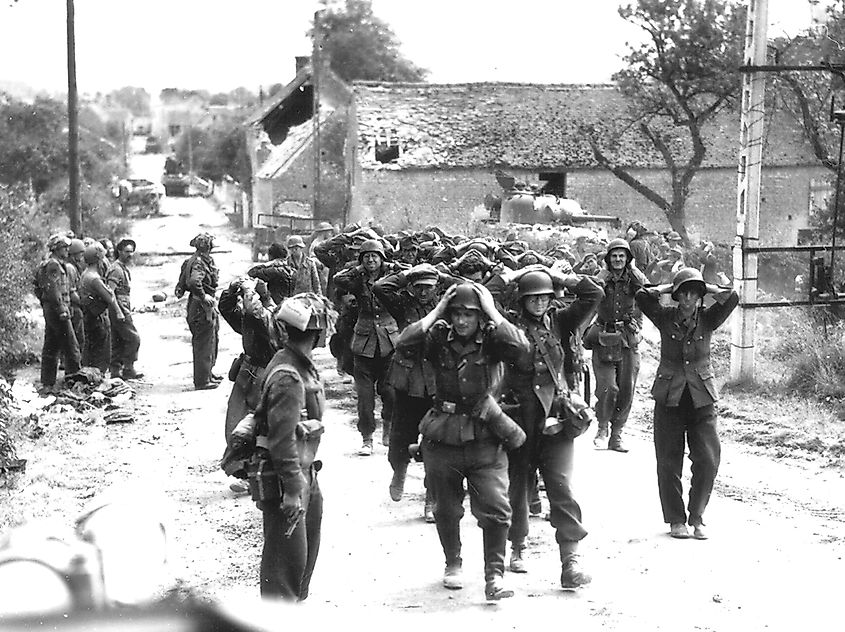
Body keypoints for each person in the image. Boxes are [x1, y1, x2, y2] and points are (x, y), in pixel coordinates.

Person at [395, 283, 529, 601]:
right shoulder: (439, 337)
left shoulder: (494, 339)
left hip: (485, 434)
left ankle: (494, 576)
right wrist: (438, 309)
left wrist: (492, 308)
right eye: (457, 313)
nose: (462, 320)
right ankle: (452, 563)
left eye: (469, 314)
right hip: (442, 435)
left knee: (496, 509)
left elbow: (521, 347)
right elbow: (403, 342)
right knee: (446, 508)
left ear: (479, 316)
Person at [487, 265, 603, 587]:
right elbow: (486, 296)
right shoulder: (507, 325)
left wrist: (559, 276)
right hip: (519, 417)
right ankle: (518, 546)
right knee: (518, 485)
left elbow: (594, 293)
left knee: (561, 486)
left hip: (557, 417)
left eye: (545, 297)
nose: (539, 304)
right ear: (522, 300)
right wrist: (513, 275)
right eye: (532, 298)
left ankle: (571, 561)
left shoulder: (561, 321)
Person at [635, 268, 738, 540]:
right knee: (668, 461)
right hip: (669, 396)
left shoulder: (709, 318)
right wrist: (668, 287)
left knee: (707, 458)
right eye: (684, 292)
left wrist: (709, 287)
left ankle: (697, 516)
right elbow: (642, 296)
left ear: (700, 296)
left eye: (694, 293)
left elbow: (732, 296)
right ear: (677, 295)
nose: (689, 298)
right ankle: (676, 520)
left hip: (701, 396)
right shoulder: (664, 317)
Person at [245, 292, 335, 601]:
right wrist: (294, 490)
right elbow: (282, 442)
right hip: (288, 479)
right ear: (318, 331)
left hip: (303, 474)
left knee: (300, 565)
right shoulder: (289, 375)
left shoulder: (298, 364)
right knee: (283, 571)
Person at [374, 263, 452, 520]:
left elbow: (467, 287)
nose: (423, 292)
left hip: (437, 382)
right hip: (408, 380)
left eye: (428, 287)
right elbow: (380, 287)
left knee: (436, 441)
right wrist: (408, 273)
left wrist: (440, 274)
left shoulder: (446, 306)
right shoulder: (402, 305)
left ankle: (432, 499)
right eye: (418, 287)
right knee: (401, 437)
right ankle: (399, 471)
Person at [333, 239, 400, 455]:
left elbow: (409, 276)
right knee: (364, 396)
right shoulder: (357, 279)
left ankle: (388, 427)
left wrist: (394, 269)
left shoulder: (391, 277)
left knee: (390, 392)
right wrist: (359, 269)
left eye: (375, 256)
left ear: (382, 258)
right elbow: (338, 278)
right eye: (367, 256)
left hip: (389, 340)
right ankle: (367, 438)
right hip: (363, 341)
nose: (371, 260)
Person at [584, 238, 647, 452]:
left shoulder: (635, 278)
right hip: (604, 335)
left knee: (626, 388)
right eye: (614, 256)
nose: (618, 259)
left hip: (628, 338)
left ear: (628, 258)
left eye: (622, 256)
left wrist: (637, 324)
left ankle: (617, 433)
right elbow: (590, 298)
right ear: (608, 259)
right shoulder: (601, 278)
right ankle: (602, 428)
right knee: (607, 387)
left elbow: (647, 297)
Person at [34, 234, 81, 392]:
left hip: (52, 308)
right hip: (57, 309)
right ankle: (75, 382)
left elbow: (38, 289)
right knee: (71, 345)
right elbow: (53, 290)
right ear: (56, 249)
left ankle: (47, 383)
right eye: (64, 247)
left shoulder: (50, 264)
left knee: (51, 345)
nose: (67, 250)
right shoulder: (53, 265)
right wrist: (61, 309)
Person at [177, 233, 221, 390]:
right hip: (201, 308)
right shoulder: (199, 263)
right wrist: (203, 296)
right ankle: (202, 381)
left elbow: (181, 284)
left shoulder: (193, 260)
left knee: (211, 339)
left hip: (200, 306)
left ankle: (207, 373)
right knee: (204, 342)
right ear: (207, 247)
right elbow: (195, 282)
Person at [79, 243, 123, 373]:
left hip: (88, 315)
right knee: (102, 353)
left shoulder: (85, 274)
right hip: (98, 318)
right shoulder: (94, 278)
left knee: (90, 350)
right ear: (98, 259)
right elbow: (109, 297)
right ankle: (98, 378)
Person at [106, 238, 143, 380]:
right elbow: (110, 292)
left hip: (122, 307)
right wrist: (118, 311)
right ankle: (128, 369)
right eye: (127, 251)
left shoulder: (122, 268)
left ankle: (116, 371)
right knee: (133, 338)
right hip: (118, 309)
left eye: (132, 252)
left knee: (118, 340)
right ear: (119, 251)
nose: (130, 254)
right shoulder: (116, 269)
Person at [66, 239, 86, 357]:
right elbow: (71, 291)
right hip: (74, 307)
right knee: (77, 337)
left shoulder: (74, 266)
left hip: (74, 305)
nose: (82, 257)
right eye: (80, 253)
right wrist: (83, 303)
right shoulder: (70, 268)